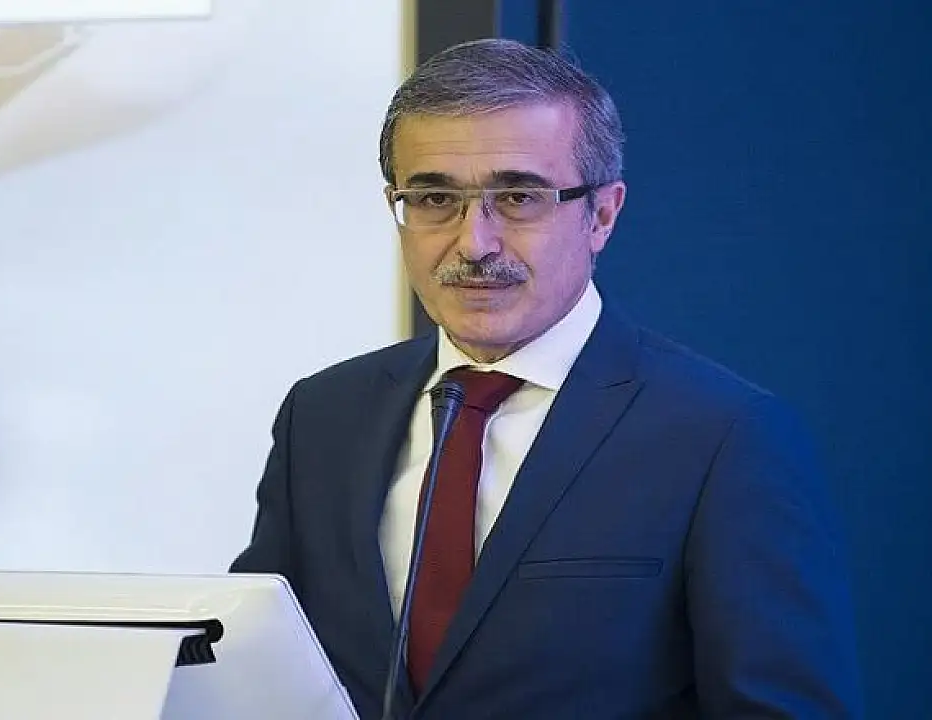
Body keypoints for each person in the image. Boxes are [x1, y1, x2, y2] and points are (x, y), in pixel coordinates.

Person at [231, 38, 863, 719]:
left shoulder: (724, 437)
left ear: (603, 214)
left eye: (518, 197)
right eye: (435, 197)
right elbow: (253, 673)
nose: (474, 243)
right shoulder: (324, 415)